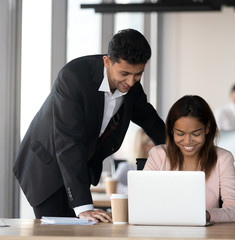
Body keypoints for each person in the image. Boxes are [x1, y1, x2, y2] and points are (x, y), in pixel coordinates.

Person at [13, 29, 165, 222]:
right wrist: (83, 206)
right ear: (107, 61)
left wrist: (180, 151)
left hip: (79, 167)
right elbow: (68, 142)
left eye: (138, 75)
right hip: (47, 166)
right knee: (59, 232)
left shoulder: (132, 87)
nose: (131, 82)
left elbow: (150, 120)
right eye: (125, 74)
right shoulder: (73, 78)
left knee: (81, 229)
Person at [144, 95, 235, 223]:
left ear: (207, 128)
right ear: (171, 130)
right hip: (162, 232)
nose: (187, 141)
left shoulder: (222, 159)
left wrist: (206, 215)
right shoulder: (158, 155)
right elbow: (142, 201)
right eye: (180, 133)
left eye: (196, 134)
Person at [113, 128, 155, 193]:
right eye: (152, 143)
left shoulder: (156, 168)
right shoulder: (126, 167)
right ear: (143, 146)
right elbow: (113, 185)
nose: (156, 146)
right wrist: (133, 191)